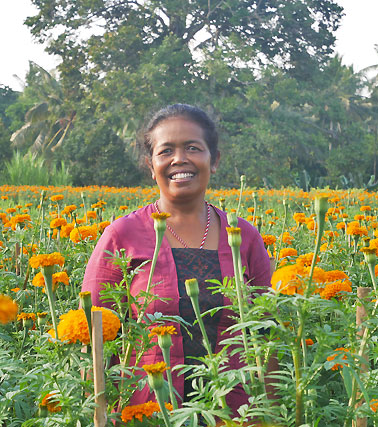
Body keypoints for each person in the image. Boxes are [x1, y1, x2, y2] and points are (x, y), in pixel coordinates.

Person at [82, 104, 272, 412]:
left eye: (193, 148)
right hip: (149, 412)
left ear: (215, 160)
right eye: (165, 150)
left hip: (236, 413)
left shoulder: (244, 237)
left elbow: (268, 332)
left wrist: (271, 411)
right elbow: (93, 337)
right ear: (150, 164)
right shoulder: (122, 235)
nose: (179, 159)